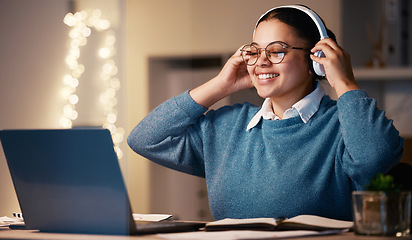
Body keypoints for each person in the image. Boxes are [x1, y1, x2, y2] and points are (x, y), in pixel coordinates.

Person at [128, 5, 403, 221]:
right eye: (254, 51)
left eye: (276, 51)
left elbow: (374, 159)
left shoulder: (344, 125)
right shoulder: (227, 126)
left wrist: (344, 83)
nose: (261, 61)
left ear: (315, 59)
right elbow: (145, 138)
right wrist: (220, 85)